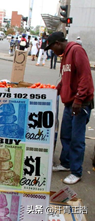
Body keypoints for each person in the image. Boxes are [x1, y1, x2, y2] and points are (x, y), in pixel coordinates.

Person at [47, 32, 94, 185]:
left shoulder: (76, 51)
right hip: (69, 103)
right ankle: (65, 163)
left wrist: (79, 99)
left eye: (52, 47)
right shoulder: (65, 56)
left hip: (80, 104)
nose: (52, 51)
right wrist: (57, 88)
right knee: (65, 135)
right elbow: (66, 78)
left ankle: (76, 172)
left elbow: (85, 77)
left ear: (58, 43)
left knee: (76, 139)